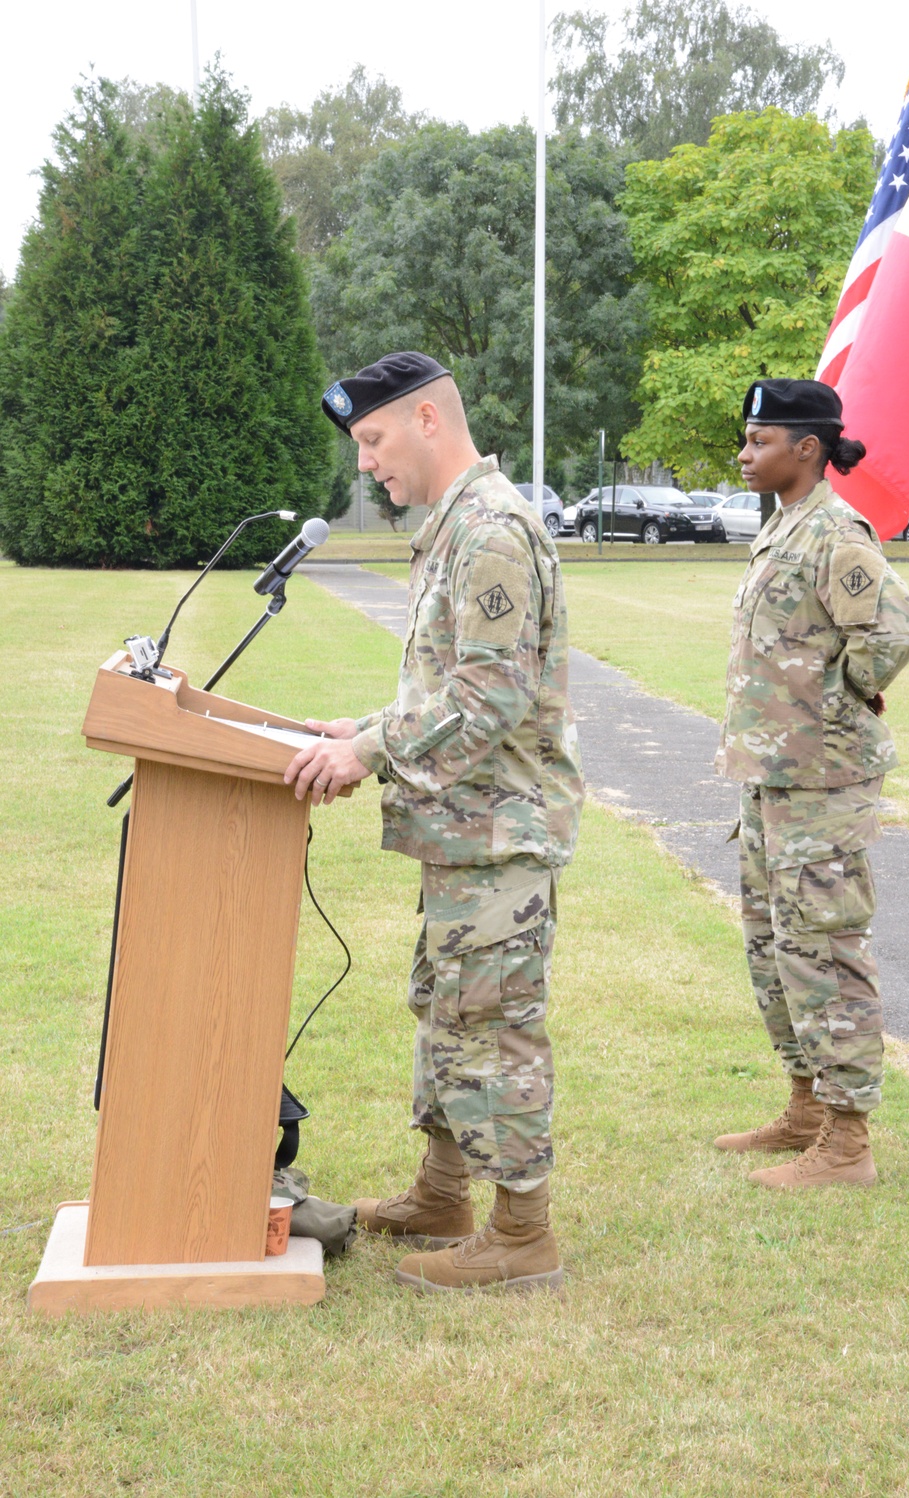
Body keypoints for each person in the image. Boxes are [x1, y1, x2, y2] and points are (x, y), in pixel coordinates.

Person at [284, 351, 584, 1289]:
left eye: (372, 439)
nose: (367, 463)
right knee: (448, 1010)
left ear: (425, 420)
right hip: (464, 830)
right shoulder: (456, 527)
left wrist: (367, 753)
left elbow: (492, 690)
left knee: (491, 1023)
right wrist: (363, 727)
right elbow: (445, 685)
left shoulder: (489, 530)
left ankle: (523, 1234)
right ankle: (444, 1193)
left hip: (499, 833)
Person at [713, 378, 909, 1187]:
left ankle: (847, 1144)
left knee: (826, 952)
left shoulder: (834, 532)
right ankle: (805, 1109)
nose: (744, 452)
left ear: (807, 449)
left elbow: (892, 629)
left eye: (759, 441)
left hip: (821, 781)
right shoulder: (784, 528)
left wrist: (843, 694)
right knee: (776, 950)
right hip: (773, 778)